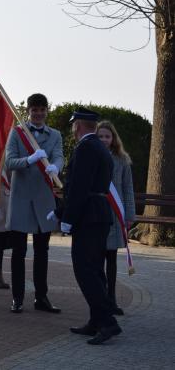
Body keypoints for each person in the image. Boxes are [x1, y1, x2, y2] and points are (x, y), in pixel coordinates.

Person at [52, 107, 120, 345]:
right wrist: (61, 210)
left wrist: (68, 219)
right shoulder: (100, 147)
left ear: (78, 125)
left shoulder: (86, 147)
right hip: (98, 214)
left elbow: (79, 187)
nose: (72, 130)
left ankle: (107, 322)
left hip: (88, 217)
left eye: (73, 125)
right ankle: (96, 320)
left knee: (86, 271)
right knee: (95, 270)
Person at [5, 93, 64, 314]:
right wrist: (29, 160)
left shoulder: (55, 135)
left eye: (42, 109)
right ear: (28, 111)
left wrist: (56, 167)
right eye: (34, 110)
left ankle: (41, 297)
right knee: (18, 252)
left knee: (42, 252)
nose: (38, 114)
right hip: (21, 198)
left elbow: (59, 156)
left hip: (43, 198)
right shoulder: (17, 133)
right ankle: (17, 298)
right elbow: (10, 161)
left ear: (46, 110)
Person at [97, 120, 135, 316]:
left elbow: (128, 188)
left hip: (114, 213)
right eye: (100, 136)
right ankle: (100, 299)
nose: (104, 140)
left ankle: (111, 299)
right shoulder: (92, 156)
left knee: (111, 259)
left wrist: (129, 214)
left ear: (113, 139)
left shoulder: (122, 159)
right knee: (97, 260)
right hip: (96, 213)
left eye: (107, 136)